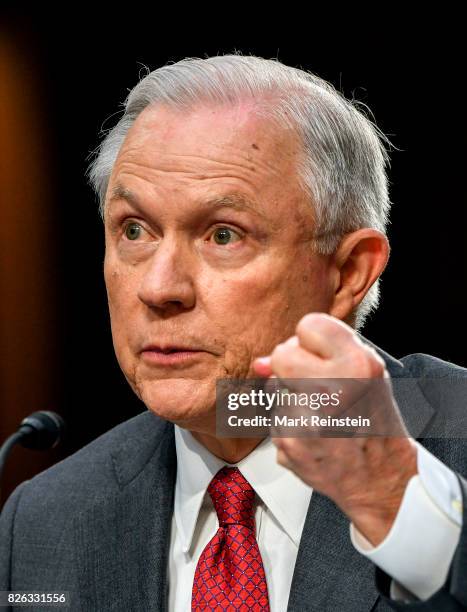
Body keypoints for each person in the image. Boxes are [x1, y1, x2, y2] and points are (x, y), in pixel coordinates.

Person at [0, 54, 465, 612]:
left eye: (223, 235)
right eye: (134, 229)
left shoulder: (457, 434)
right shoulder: (43, 519)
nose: (159, 287)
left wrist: (400, 508)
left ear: (347, 273)